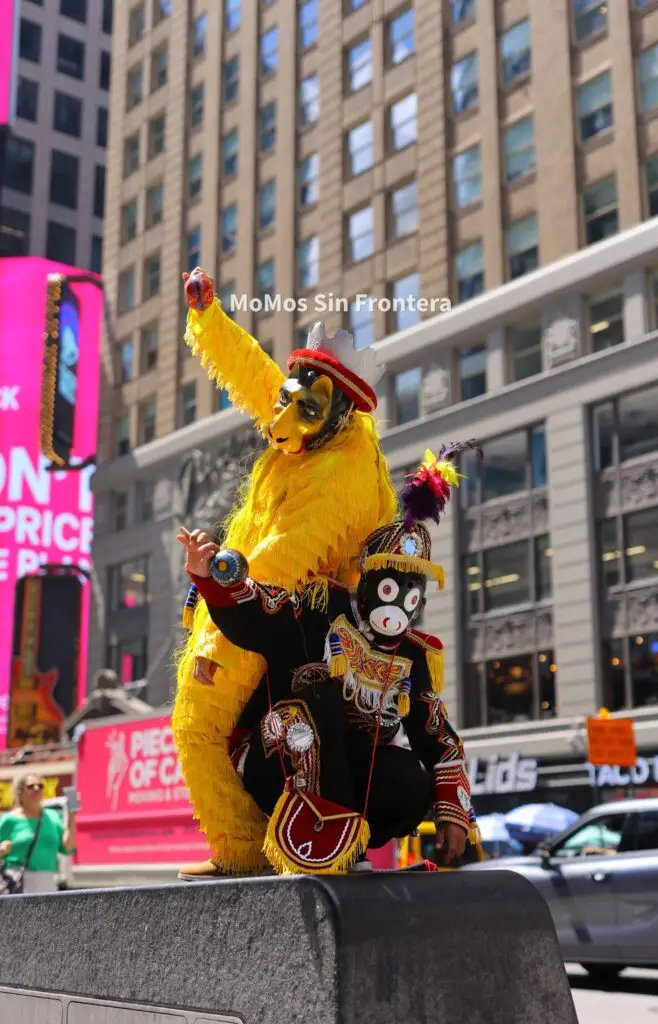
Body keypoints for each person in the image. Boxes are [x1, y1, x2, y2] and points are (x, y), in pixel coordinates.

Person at [174, 269, 397, 879]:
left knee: (195, 723)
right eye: (286, 401)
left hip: (291, 616)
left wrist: (224, 583)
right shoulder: (316, 416)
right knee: (210, 729)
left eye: (302, 407)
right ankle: (249, 844)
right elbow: (256, 375)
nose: (282, 415)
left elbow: (287, 554)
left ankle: (245, 849)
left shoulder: (344, 472)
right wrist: (209, 316)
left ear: (339, 415)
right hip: (255, 600)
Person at [178, 444, 481, 874]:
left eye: (411, 597)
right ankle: (322, 851)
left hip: (351, 772)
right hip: (278, 754)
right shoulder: (322, 606)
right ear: (370, 580)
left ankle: (347, 847)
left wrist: (454, 812)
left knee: (408, 780)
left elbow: (437, 733)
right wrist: (212, 577)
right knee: (318, 699)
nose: (400, 608)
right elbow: (262, 612)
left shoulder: (413, 654)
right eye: (391, 591)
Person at [0, 775, 75, 894]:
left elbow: (68, 848)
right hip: (18, 881)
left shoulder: (52, 816)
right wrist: (2, 850)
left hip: (47, 882)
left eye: (40, 786)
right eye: (31, 786)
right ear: (20, 792)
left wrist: (72, 816)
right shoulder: (8, 820)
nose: (36, 789)